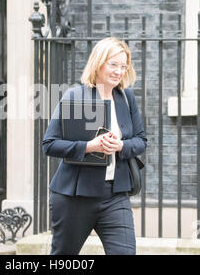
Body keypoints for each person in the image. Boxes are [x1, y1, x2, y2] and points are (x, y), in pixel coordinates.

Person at [42, 37, 147, 255]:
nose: (119, 71)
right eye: (113, 64)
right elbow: (50, 144)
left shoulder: (126, 97)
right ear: (98, 63)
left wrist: (120, 145)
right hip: (75, 197)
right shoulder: (76, 96)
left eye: (123, 66)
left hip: (115, 195)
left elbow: (140, 141)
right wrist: (89, 146)